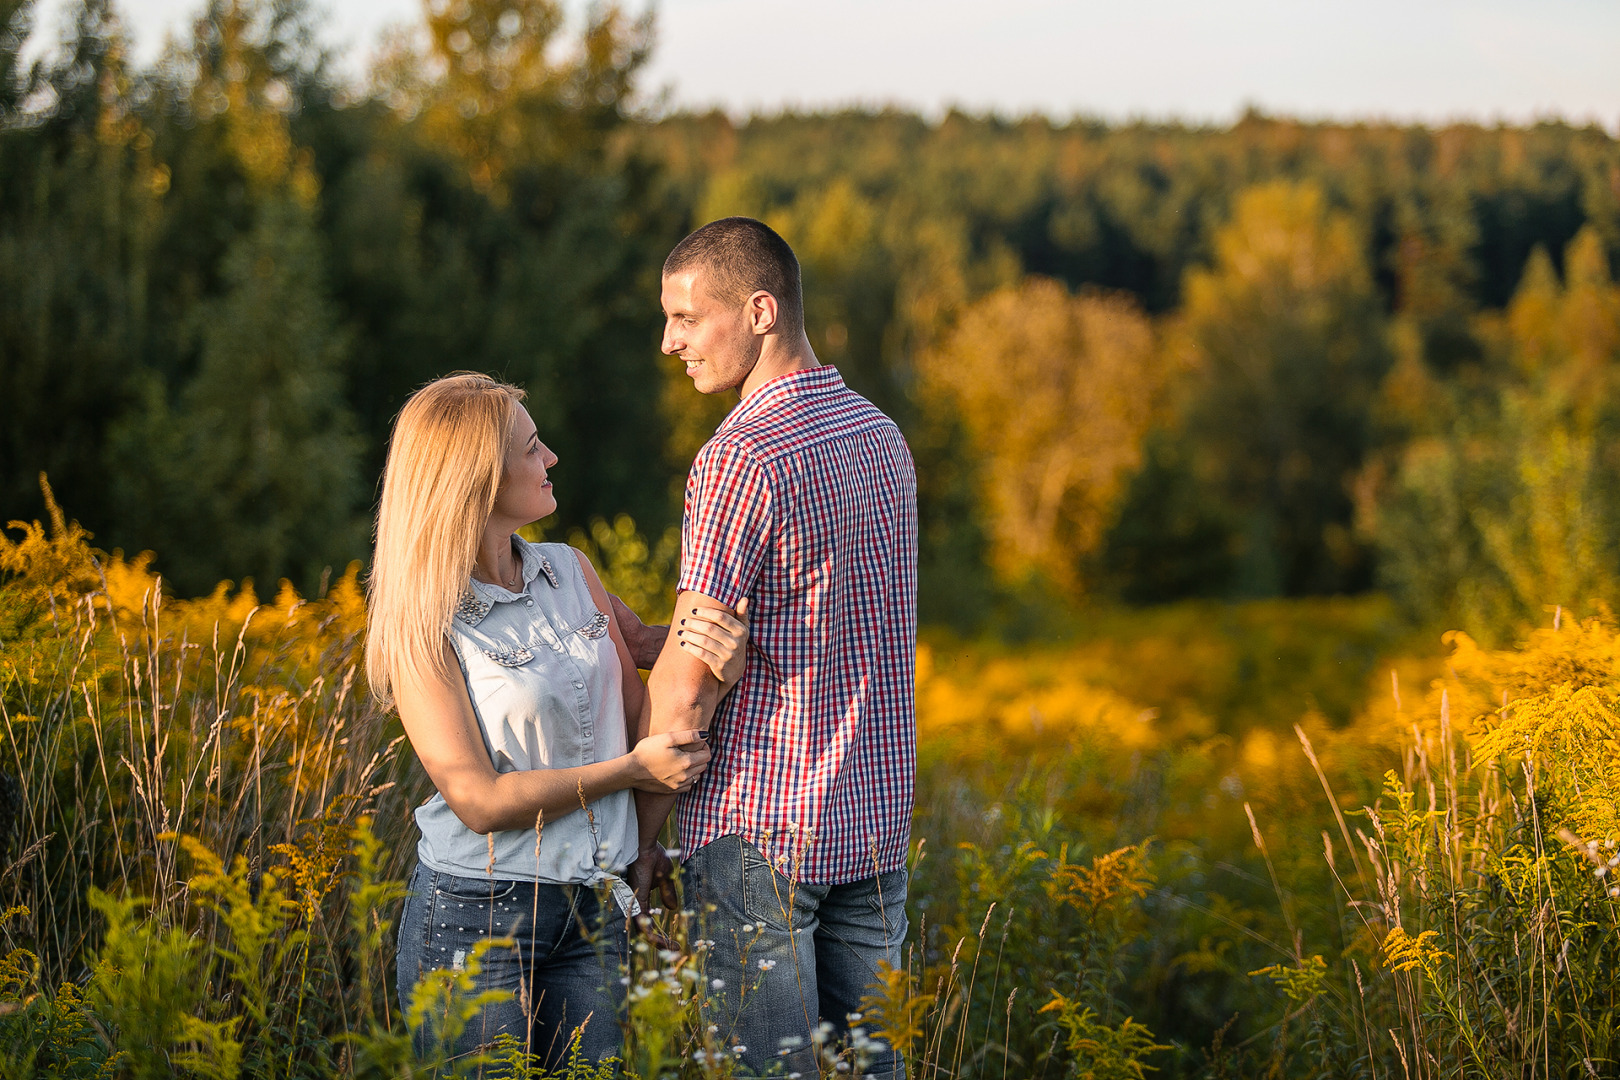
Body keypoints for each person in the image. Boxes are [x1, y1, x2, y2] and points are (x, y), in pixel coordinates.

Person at [365, 372, 750, 1069]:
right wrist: (630, 772)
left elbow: (652, 682)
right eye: (532, 447)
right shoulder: (424, 622)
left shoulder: (570, 571)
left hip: (593, 906)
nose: (552, 460)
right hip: (477, 913)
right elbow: (478, 802)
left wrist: (725, 640)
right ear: (475, 477)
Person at [627, 217, 919, 1078]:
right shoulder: (881, 435)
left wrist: (642, 840)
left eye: (686, 318)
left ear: (759, 310)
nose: (669, 341)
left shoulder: (740, 458)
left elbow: (685, 683)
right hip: (873, 824)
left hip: (762, 839)